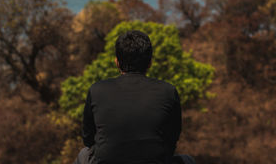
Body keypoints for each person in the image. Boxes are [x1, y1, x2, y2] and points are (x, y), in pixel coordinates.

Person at [74, 30, 195, 164]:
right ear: (150, 63)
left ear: (117, 62)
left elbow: (88, 139)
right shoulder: (168, 91)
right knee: (187, 160)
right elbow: (172, 138)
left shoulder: (96, 90)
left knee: (84, 154)